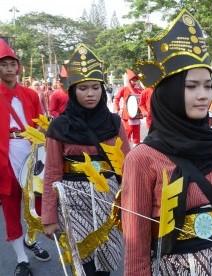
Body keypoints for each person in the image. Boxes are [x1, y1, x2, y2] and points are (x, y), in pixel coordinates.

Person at [122, 9, 212, 275]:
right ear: (170, 92)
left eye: (208, 86)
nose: (203, 95)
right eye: (191, 86)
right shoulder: (141, 159)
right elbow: (135, 246)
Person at [41, 43, 130, 275]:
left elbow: (128, 167)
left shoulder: (114, 123)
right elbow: (51, 173)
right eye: (83, 88)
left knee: (108, 259)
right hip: (73, 202)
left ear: (102, 89)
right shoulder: (59, 126)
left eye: (95, 87)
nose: (90, 94)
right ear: (72, 91)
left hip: (109, 200)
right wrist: (49, 215)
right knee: (83, 263)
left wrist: (134, 205)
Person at [0, 38, 50, 276]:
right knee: (11, 207)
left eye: (12, 64)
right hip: (4, 156)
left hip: (31, 153)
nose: (9, 69)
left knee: (38, 205)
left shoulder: (30, 94)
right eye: (3, 65)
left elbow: (41, 123)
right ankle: (22, 259)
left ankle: (31, 239)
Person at [114, 69, 143, 145]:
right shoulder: (124, 89)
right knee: (128, 131)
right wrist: (117, 108)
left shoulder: (139, 90)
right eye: (133, 80)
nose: (135, 82)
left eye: (136, 80)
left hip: (137, 114)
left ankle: (136, 148)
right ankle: (124, 148)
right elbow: (116, 98)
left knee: (137, 132)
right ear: (129, 81)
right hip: (127, 114)